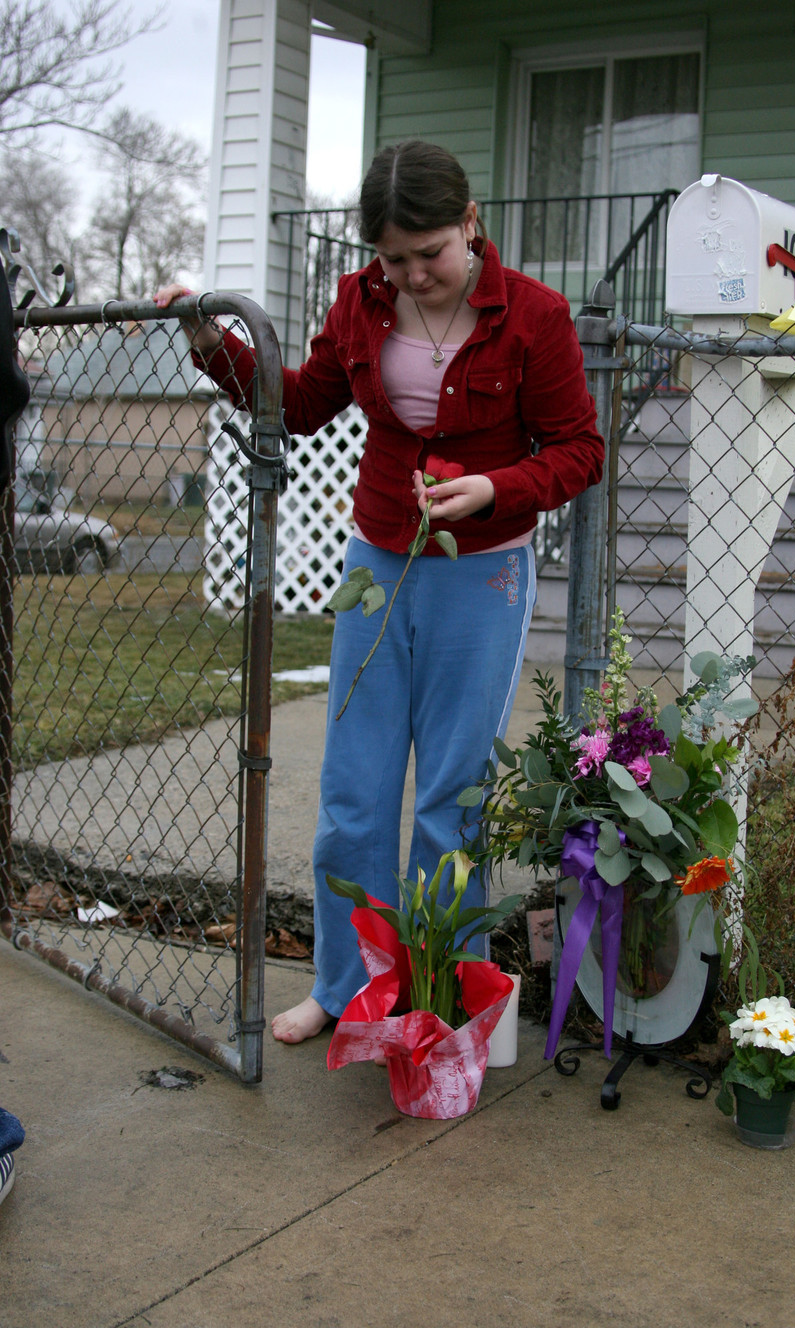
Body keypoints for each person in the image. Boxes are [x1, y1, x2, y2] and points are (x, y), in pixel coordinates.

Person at [155, 139, 605, 1045]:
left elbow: (578, 451)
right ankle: (345, 985)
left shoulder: (535, 318)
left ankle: (432, 991)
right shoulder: (360, 305)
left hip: (483, 574)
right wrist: (211, 343)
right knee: (353, 793)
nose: (412, 275)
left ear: (469, 224)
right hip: (378, 565)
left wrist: (494, 489)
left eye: (428, 254)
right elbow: (301, 400)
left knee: (452, 795)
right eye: (392, 258)